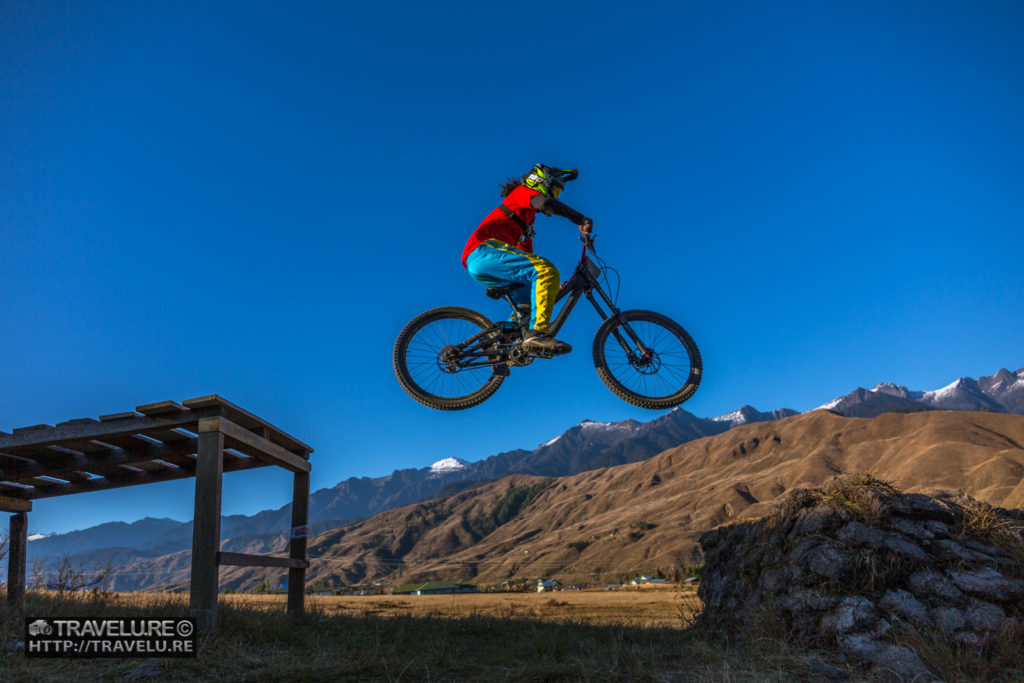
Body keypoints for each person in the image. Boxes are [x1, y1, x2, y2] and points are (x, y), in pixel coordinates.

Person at [461, 164, 593, 355]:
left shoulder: (526, 221)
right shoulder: (521, 193)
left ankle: (498, 349)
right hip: (482, 252)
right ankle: (537, 334)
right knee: (546, 269)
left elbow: (527, 258)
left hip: (488, 264)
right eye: (555, 189)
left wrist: (553, 287)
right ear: (542, 182)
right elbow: (545, 203)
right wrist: (580, 219)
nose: (555, 195)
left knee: (530, 304)